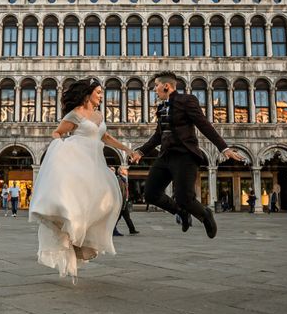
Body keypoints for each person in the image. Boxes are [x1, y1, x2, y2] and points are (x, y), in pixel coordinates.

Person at [29, 79, 132, 279]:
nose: (101, 96)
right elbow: (57, 132)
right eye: (99, 92)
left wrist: (127, 149)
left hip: (95, 165)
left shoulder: (100, 115)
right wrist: (63, 150)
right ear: (88, 94)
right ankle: (73, 239)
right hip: (78, 162)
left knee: (107, 202)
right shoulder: (75, 113)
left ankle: (84, 241)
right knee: (76, 203)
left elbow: (106, 138)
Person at [131, 71, 244, 238]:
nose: (154, 90)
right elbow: (158, 135)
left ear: (166, 86)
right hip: (165, 156)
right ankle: (181, 213)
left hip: (184, 156)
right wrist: (141, 151)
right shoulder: (162, 107)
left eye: (156, 86)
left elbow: (204, 124)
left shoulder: (187, 101)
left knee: (185, 198)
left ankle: (205, 214)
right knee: (150, 194)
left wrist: (224, 148)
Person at [113, 166, 139, 236]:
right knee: (118, 218)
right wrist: (122, 203)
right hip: (122, 203)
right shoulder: (120, 180)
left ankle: (132, 229)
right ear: (121, 171)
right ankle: (113, 230)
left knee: (126, 217)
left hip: (124, 202)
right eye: (125, 170)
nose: (127, 171)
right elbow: (121, 193)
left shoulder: (124, 179)